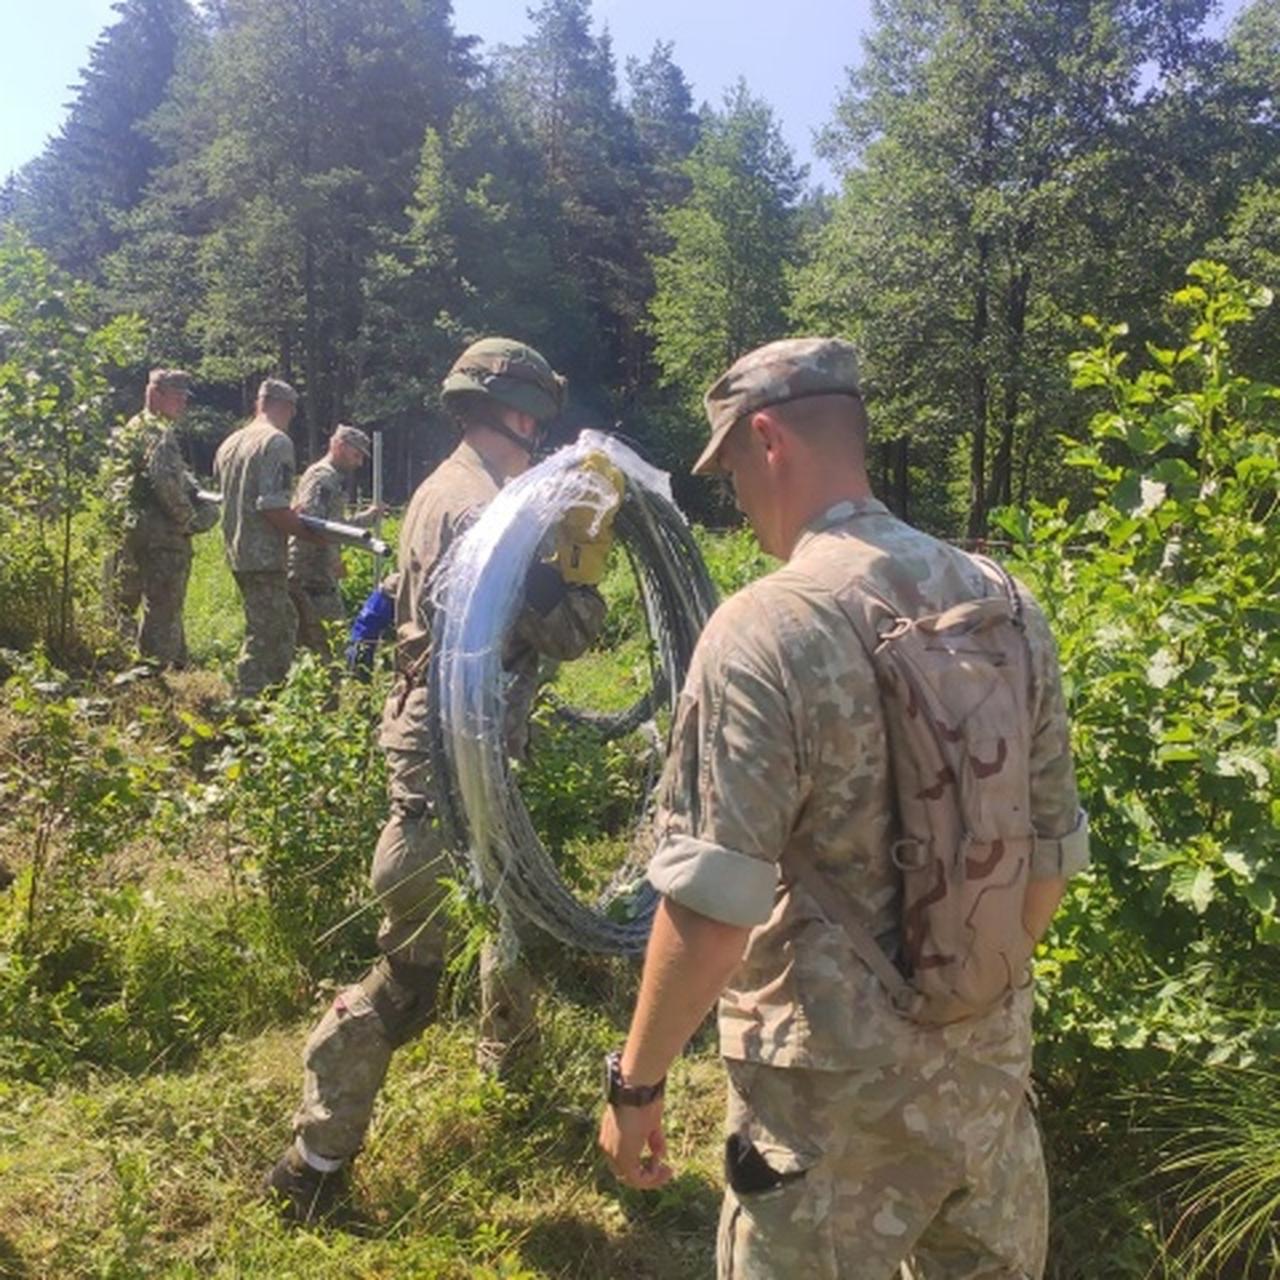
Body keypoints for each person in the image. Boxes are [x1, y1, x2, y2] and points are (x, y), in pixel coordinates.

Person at [597, 337, 1090, 1279]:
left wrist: (636, 1083)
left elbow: (708, 917)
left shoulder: (764, 628)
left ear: (768, 438)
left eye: (732, 464)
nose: (734, 496)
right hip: (985, 1075)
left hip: (826, 1109)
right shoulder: (1009, 604)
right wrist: (963, 1000)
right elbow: (1050, 859)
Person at [265, 337, 619, 1224]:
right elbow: (570, 634)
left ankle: (512, 1074)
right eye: (535, 421)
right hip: (446, 771)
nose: (540, 437)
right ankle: (311, 1164)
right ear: (514, 414)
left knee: (508, 914)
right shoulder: (489, 517)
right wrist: (585, 559)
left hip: (467, 752)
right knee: (411, 976)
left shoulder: (445, 489)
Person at [212, 378, 320, 698]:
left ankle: (256, 702)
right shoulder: (276, 442)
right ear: (286, 407)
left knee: (271, 622)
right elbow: (272, 508)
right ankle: (253, 705)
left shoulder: (230, 443)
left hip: (237, 549)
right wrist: (308, 533)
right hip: (263, 554)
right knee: (272, 634)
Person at [108, 368, 218, 666]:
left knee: (123, 604)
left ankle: (124, 665)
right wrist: (190, 521)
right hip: (161, 537)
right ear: (155, 394)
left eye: (185, 397)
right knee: (163, 608)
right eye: (178, 396)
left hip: (129, 530)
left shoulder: (133, 427)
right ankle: (158, 674)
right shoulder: (159, 432)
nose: (183, 403)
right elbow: (165, 481)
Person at [287, 424, 383, 657]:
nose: (359, 462)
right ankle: (333, 689)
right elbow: (312, 523)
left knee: (311, 642)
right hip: (311, 574)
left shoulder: (328, 478)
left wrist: (365, 520)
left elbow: (332, 525)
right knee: (333, 642)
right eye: (356, 454)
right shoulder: (322, 478)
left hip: (317, 570)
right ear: (339, 446)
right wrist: (331, 556)